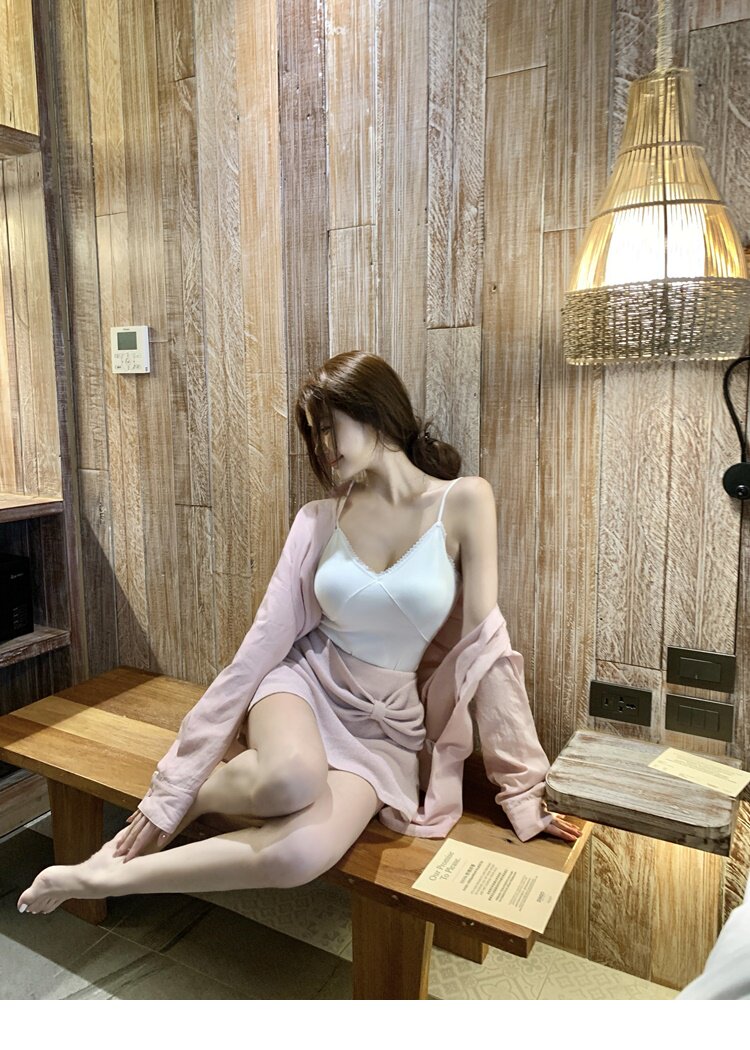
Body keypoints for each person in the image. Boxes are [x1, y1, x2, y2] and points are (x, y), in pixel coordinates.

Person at [17, 351, 579, 916]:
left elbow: (487, 649)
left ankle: (103, 879)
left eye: (330, 425)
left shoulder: (466, 500)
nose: (323, 445)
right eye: (314, 432)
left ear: (375, 411)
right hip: (303, 686)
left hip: (385, 730)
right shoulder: (317, 519)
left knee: (299, 856)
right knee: (291, 779)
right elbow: (262, 642)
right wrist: (173, 783)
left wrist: (524, 790)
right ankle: (185, 801)